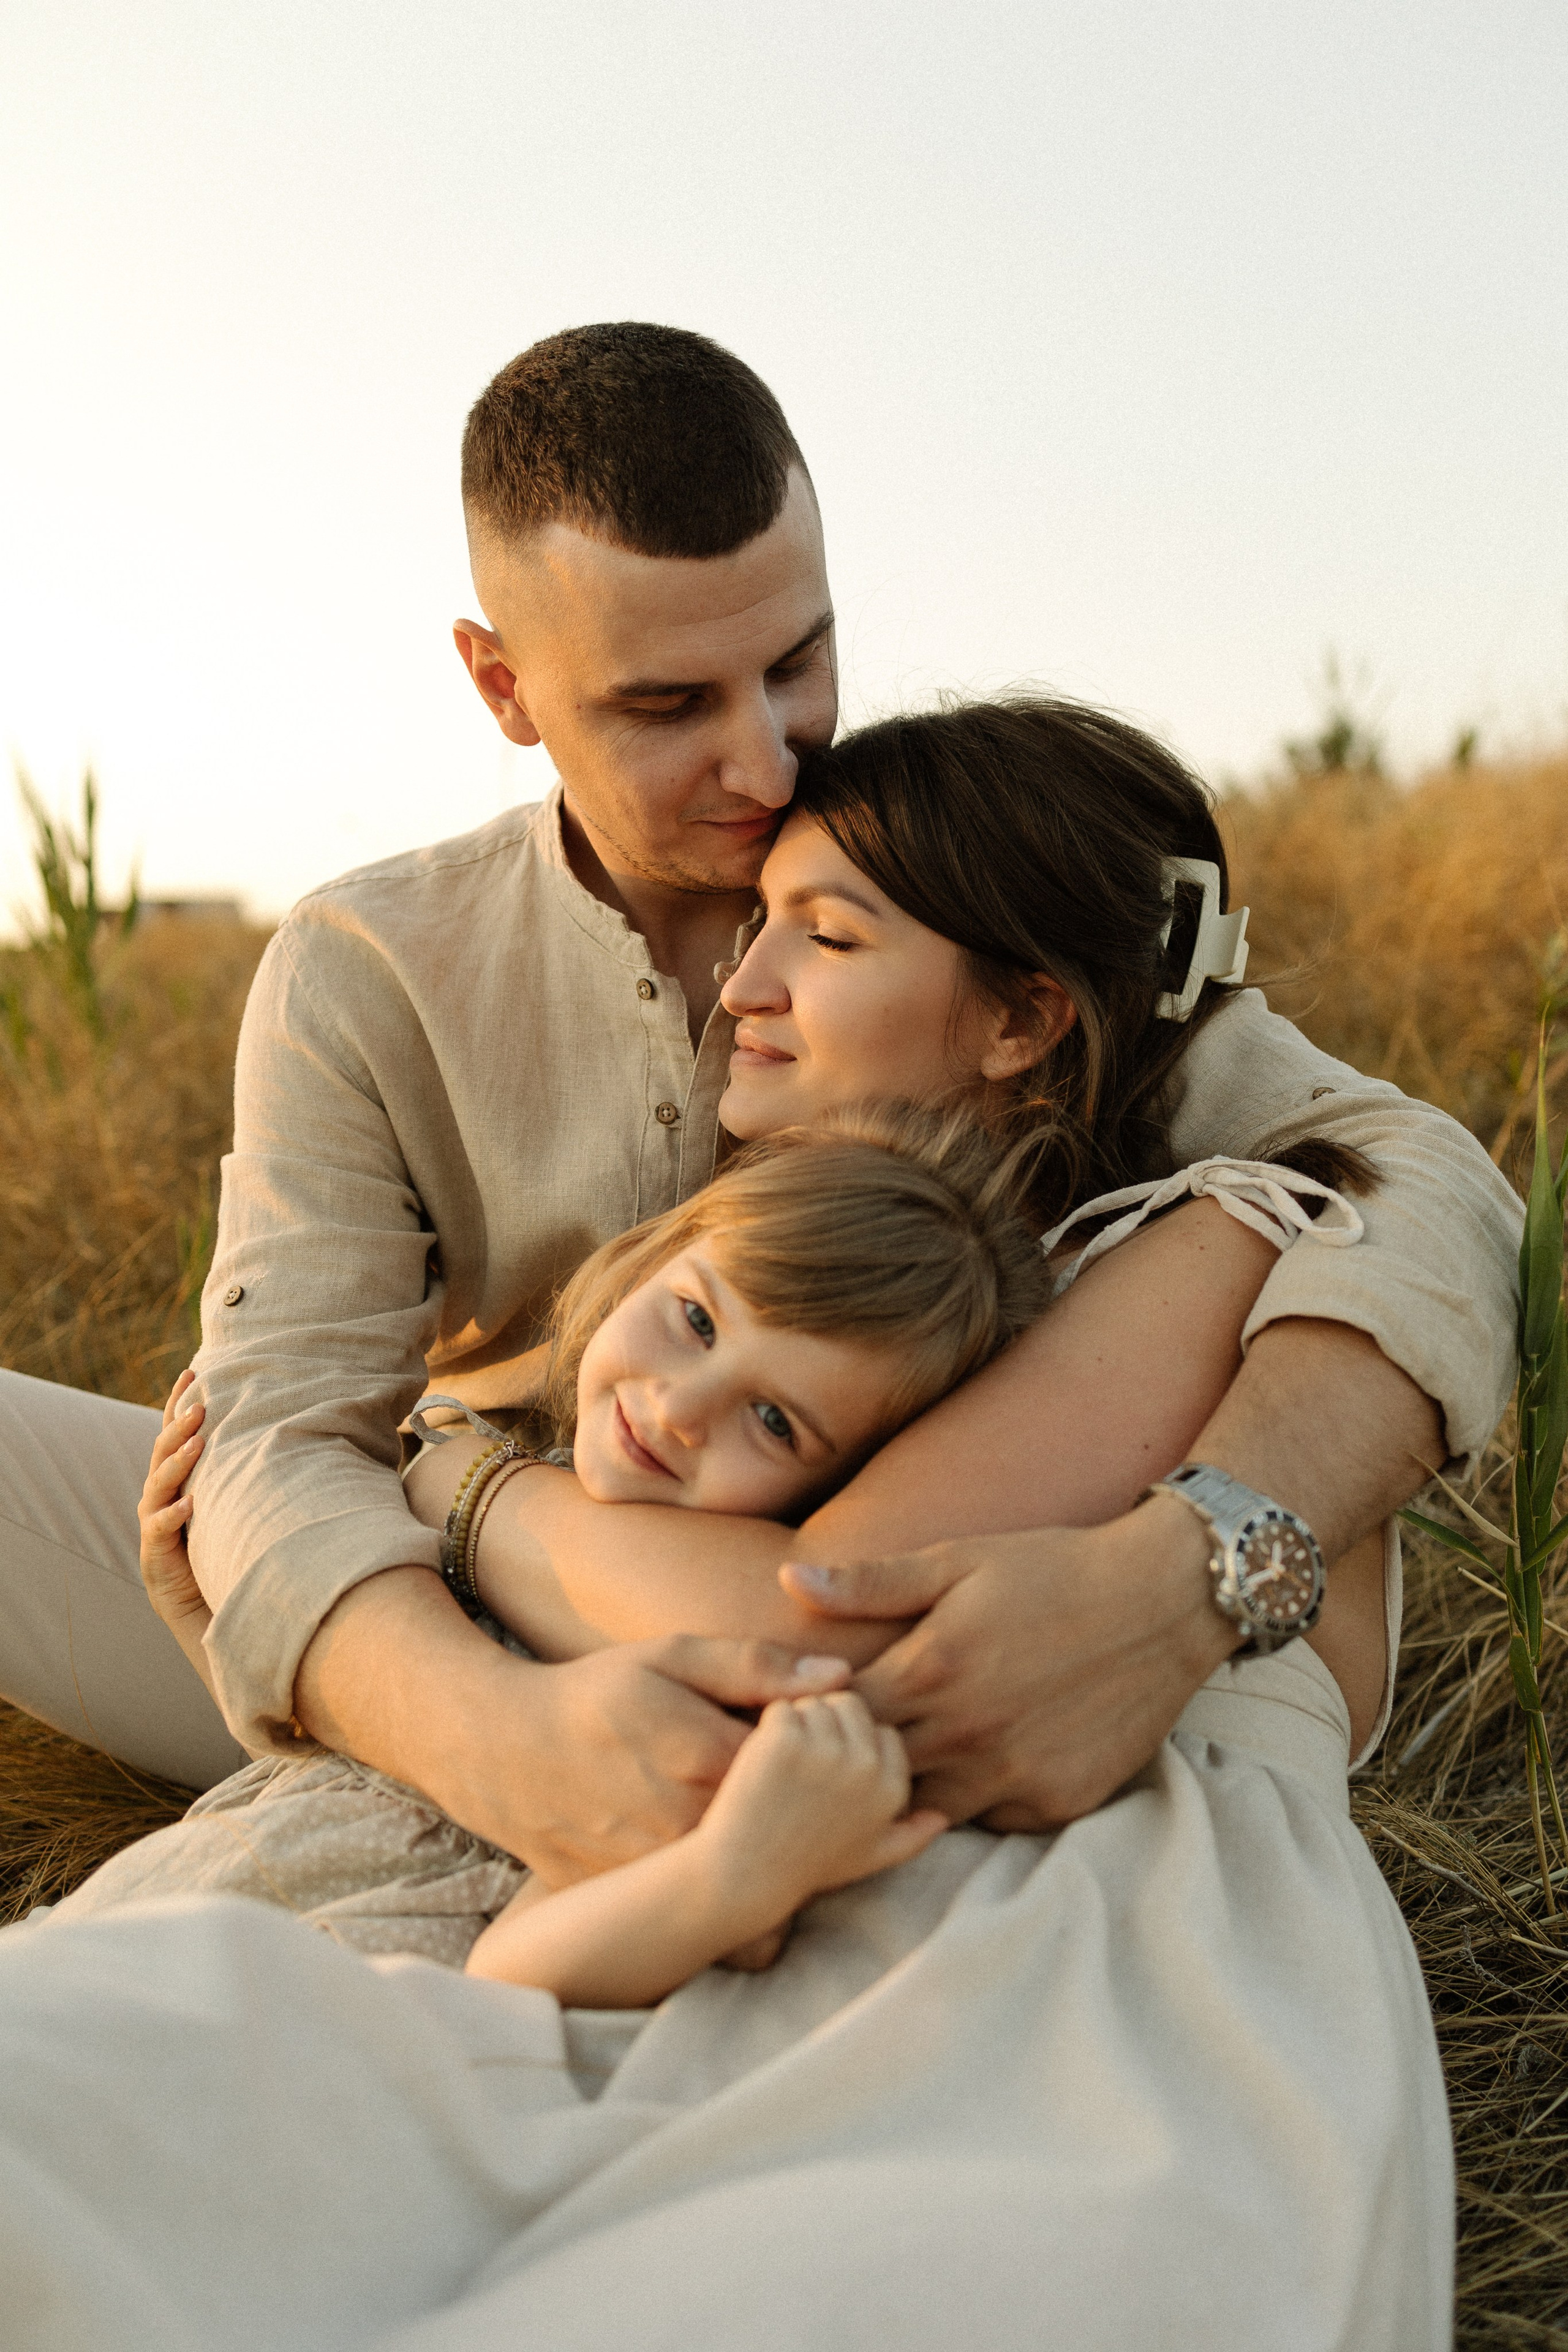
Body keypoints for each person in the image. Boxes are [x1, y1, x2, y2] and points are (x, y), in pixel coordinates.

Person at [1, 699, 1458, 2347]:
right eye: (764, 925)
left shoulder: (1199, 1245)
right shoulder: (765, 1241)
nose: (743, 986)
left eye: (824, 938)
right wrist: (285, 1625)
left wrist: (441, 1476)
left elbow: (792, 1618)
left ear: (1022, 1019)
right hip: (648, 1834)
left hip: (1035, 1922)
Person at [0, 322, 1518, 1898]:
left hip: (731, 1589)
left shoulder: (932, 897)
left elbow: (1416, 1189)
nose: (765, 759)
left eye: (795, 663)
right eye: (667, 706)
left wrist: (1183, 1574)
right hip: (458, 1593)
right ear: (503, 684)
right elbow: (277, 1443)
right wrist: (502, 1740)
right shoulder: (366, 968)